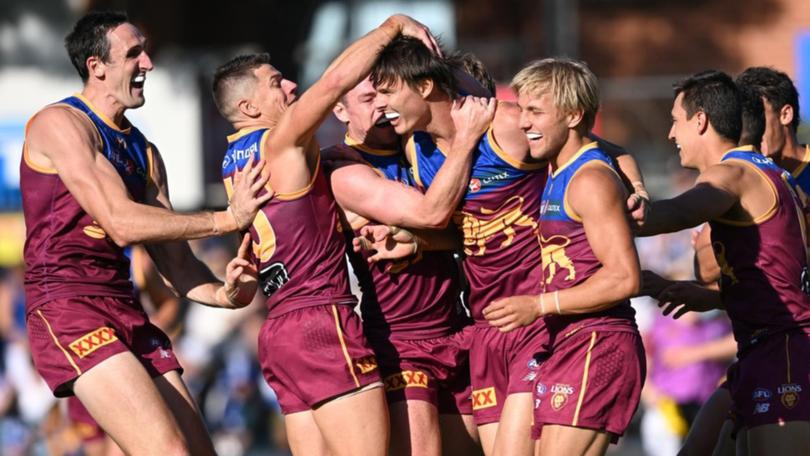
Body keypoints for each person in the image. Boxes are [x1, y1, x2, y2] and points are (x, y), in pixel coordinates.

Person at [370, 36, 648, 455]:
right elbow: (464, 227)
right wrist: (417, 241)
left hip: (538, 322)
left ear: (424, 87)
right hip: (488, 324)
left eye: (388, 91)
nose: (380, 105)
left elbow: (599, 146)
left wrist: (638, 189)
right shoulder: (415, 148)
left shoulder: (506, 127)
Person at [21, 11, 269, 455]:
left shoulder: (146, 153)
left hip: (126, 308)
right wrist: (226, 219)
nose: (149, 63)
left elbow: (176, 265)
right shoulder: (59, 124)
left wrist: (226, 295)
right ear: (97, 66)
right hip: (67, 306)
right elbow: (120, 221)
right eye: (134, 53)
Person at [211, 15, 441, 456]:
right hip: (320, 319)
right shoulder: (279, 142)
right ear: (249, 108)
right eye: (276, 83)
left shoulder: (232, 159)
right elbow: (335, 81)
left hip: (278, 329)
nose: (292, 87)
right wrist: (391, 27)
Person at [637, 70, 810, 456]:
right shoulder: (774, 175)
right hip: (762, 351)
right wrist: (705, 295)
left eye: (675, 121)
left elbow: (675, 214)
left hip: (783, 353)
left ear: (700, 121)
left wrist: (598, 209)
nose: (670, 134)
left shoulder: (733, 173)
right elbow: (774, 278)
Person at [480, 58, 645, 456]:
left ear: (573, 115)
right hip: (566, 338)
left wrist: (538, 304)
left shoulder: (589, 180)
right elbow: (616, 151)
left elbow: (625, 279)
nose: (523, 123)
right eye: (521, 110)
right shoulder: (560, 166)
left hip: (598, 342)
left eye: (535, 112)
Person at [324, 77, 492, 455]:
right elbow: (434, 215)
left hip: (457, 329)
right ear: (339, 110)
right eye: (367, 99)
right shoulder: (341, 165)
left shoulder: (420, 146)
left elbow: (467, 229)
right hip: (401, 342)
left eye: (385, 95)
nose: (381, 106)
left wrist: (418, 240)